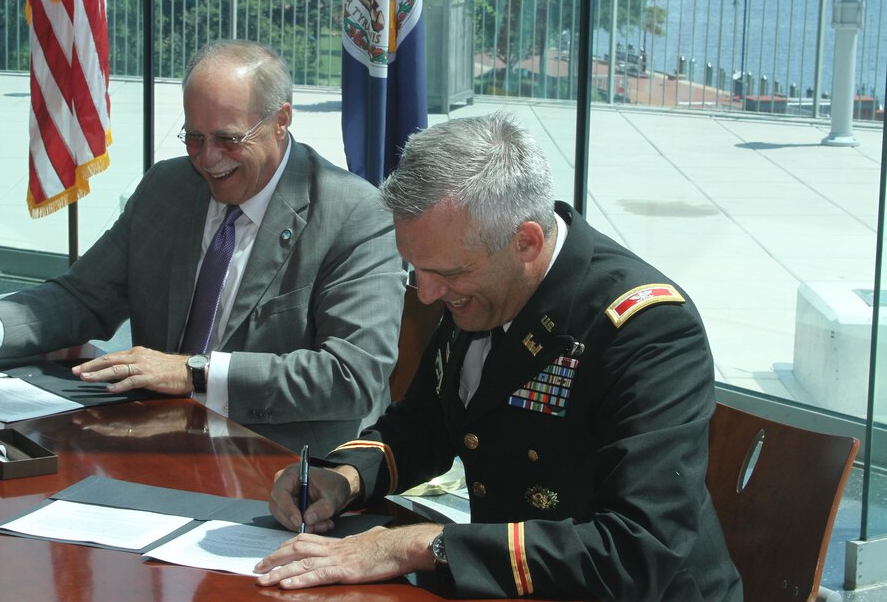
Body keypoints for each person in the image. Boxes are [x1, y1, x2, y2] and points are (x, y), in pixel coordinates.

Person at [256, 114, 742, 600]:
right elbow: (427, 423)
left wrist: (427, 543)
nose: (425, 295)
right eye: (416, 269)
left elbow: (636, 551)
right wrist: (344, 479)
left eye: (445, 273)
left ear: (525, 242)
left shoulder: (646, 328)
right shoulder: (480, 281)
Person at [0, 40, 406, 455]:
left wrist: (193, 373)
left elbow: (351, 376)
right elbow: (86, 295)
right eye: (194, 137)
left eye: (228, 140)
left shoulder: (354, 215)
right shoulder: (168, 187)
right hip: (156, 441)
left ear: (281, 121)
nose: (208, 159)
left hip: (279, 465)